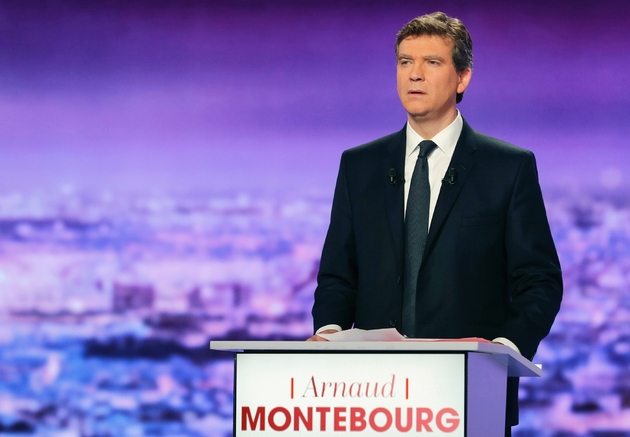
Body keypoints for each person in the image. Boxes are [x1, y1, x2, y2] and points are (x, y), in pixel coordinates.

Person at [307, 11, 562, 435]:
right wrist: (329, 332)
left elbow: (540, 280)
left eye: (432, 62)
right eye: (406, 62)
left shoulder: (508, 168)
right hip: (371, 400)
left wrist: (500, 351)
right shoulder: (360, 166)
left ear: (462, 78)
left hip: (468, 395)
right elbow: (338, 273)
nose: (415, 75)